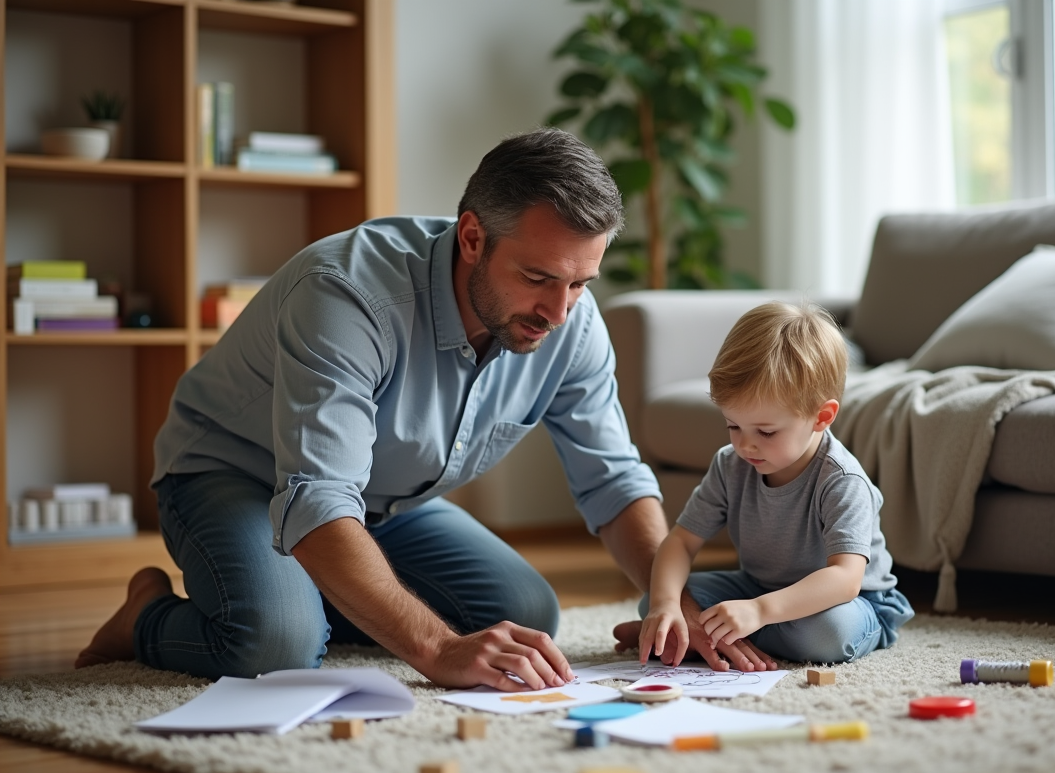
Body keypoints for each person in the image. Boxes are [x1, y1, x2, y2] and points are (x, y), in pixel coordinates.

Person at [75, 128, 773, 691]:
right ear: (472, 237)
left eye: (581, 284)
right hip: (233, 478)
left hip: (385, 503)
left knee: (527, 615)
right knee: (275, 644)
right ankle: (146, 616)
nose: (559, 311)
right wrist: (434, 648)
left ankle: (324, 597)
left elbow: (615, 483)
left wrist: (668, 597)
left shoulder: (571, 321)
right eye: (537, 278)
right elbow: (317, 504)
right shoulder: (348, 296)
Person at [623, 301, 914, 667]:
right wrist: (667, 605)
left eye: (765, 431)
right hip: (757, 588)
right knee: (656, 598)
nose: (745, 444)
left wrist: (760, 611)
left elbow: (844, 579)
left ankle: (702, 636)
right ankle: (691, 629)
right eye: (733, 426)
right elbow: (680, 542)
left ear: (821, 417)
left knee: (827, 635)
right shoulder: (730, 465)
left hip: (848, 603)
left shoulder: (841, 480)